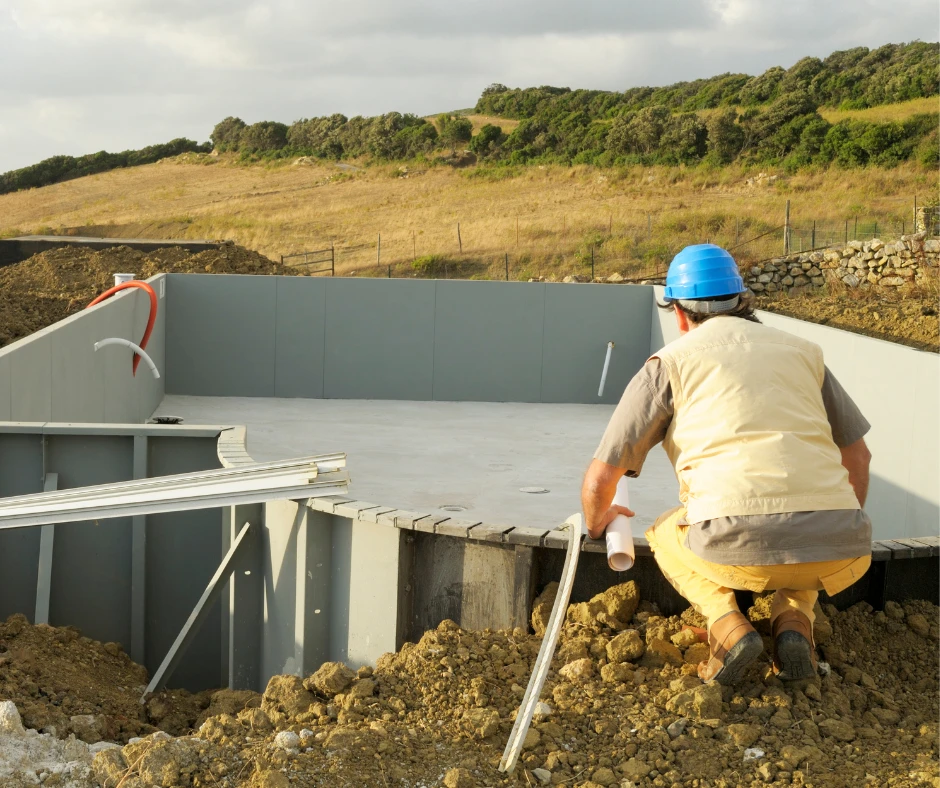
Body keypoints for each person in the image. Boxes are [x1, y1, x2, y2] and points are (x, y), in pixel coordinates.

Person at [581, 244, 873, 685]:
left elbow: (602, 477)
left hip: (733, 545)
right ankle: (794, 623)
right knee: (806, 527)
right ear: (741, 300)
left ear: (679, 314)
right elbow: (859, 456)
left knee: (663, 531)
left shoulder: (670, 364)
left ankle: (728, 626)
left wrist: (597, 521)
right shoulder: (804, 352)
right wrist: (840, 520)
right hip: (844, 549)